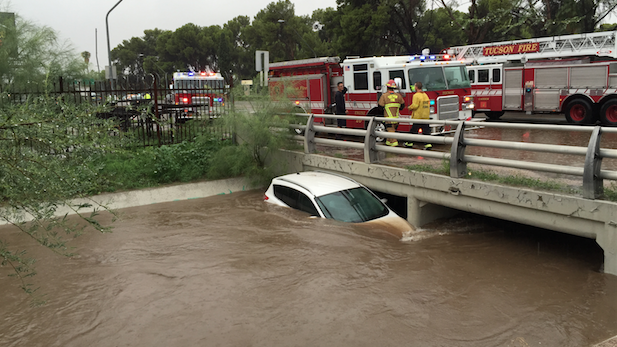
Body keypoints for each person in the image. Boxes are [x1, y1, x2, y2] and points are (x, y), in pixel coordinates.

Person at [378, 79, 405, 147]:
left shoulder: (384, 96)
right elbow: (402, 106)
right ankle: (388, 143)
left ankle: (394, 147)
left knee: (392, 135)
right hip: (396, 119)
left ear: (387, 87)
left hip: (388, 120)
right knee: (390, 133)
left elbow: (380, 107)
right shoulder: (398, 96)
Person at [407, 81, 432, 150]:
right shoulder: (425, 95)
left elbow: (415, 105)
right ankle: (428, 145)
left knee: (413, 131)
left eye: (415, 86)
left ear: (416, 87)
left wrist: (409, 107)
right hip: (426, 116)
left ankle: (409, 143)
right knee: (426, 132)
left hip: (418, 116)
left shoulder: (416, 95)